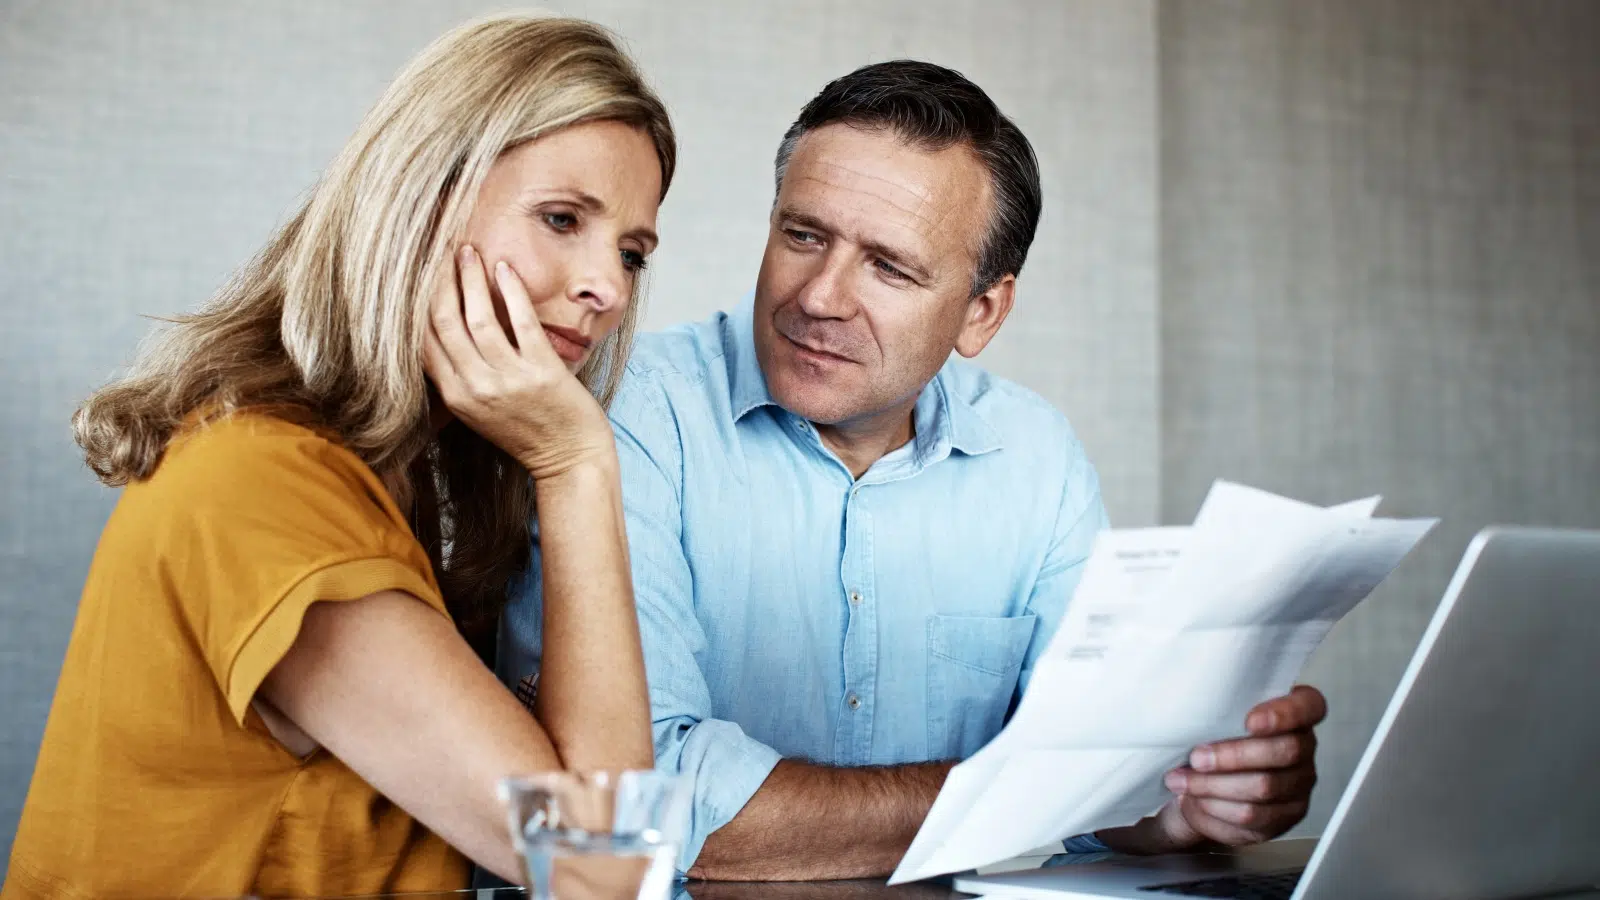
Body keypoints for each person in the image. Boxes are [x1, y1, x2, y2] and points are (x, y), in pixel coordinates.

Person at [502, 60, 1327, 882]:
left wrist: (1185, 805)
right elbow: (639, 814)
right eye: (803, 235)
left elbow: (1105, 772)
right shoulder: (622, 410)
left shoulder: (1037, 458)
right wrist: (1047, 790)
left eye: (889, 267)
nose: (820, 296)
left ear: (982, 313)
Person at [4, 15, 675, 898]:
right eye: (561, 219)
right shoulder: (259, 487)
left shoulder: (398, 480)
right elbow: (602, 866)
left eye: (631, 252)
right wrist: (577, 467)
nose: (610, 288)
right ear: (418, 199)